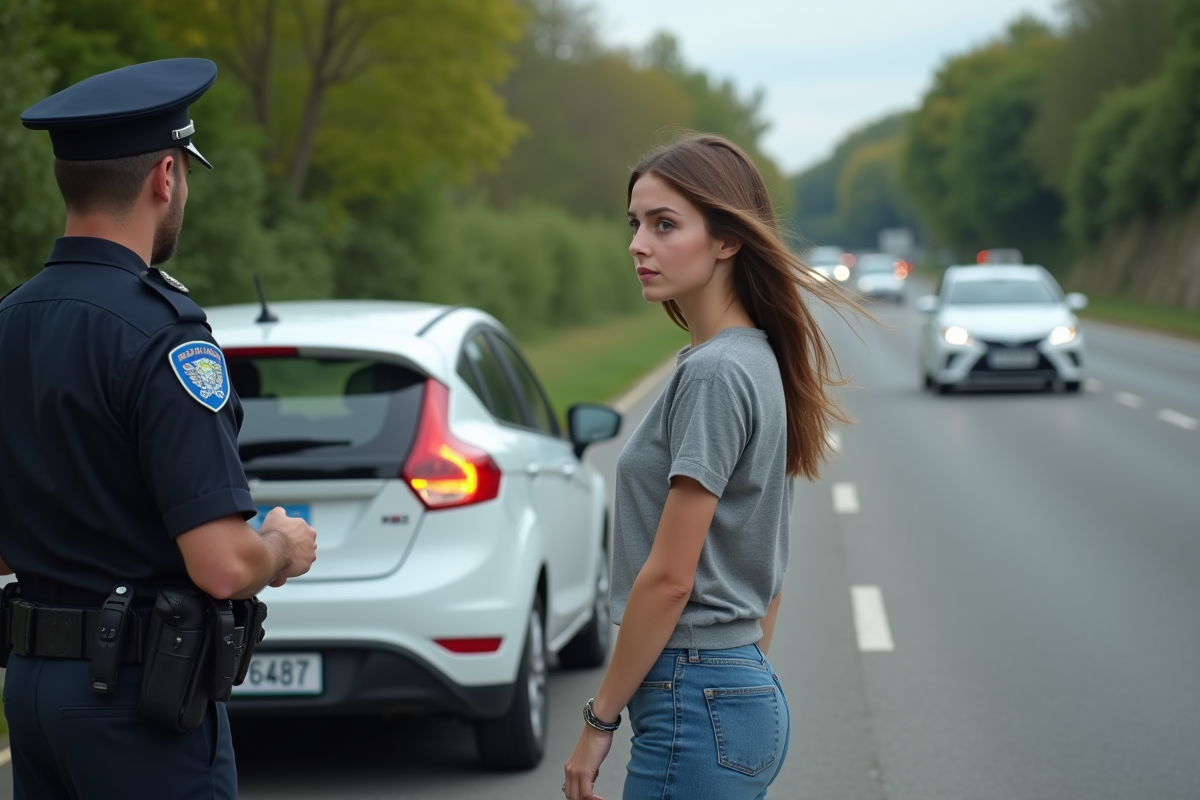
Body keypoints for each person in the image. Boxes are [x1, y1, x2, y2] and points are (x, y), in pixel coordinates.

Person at [0, 58, 318, 799]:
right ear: (165, 176)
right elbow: (221, 566)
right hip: (135, 702)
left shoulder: (10, 323)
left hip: (33, 693)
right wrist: (280, 547)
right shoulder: (165, 337)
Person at [562, 134, 854, 800]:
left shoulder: (716, 374)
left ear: (726, 239)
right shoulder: (754, 359)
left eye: (664, 225)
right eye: (635, 224)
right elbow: (769, 571)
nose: (638, 244)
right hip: (734, 690)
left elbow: (670, 580)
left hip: (695, 698)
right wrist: (737, 681)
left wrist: (599, 720)